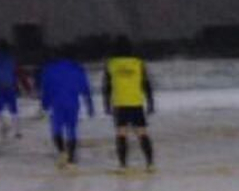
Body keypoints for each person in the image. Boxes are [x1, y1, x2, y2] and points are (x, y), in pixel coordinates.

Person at [103, 35, 156, 171]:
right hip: (136, 102)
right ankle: (150, 164)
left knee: (121, 134)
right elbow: (146, 84)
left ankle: (123, 166)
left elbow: (107, 87)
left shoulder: (111, 64)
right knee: (142, 133)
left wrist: (106, 104)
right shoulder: (138, 63)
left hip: (120, 103)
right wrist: (150, 103)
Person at [37, 53, 95, 167]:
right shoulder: (77, 69)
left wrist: (44, 104)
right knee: (71, 129)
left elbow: (45, 88)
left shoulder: (49, 69)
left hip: (56, 103)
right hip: (72, 103)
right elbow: (86, 89)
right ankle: (71, 157)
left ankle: (62, 151)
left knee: (56, 128)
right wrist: (90, 106)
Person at [0, 38, 31, 140]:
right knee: (14, 110)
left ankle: (4, 125)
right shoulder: (11, 59)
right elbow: (20, 74)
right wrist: (27, 87)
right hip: (10, 87)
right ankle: (17, 132)